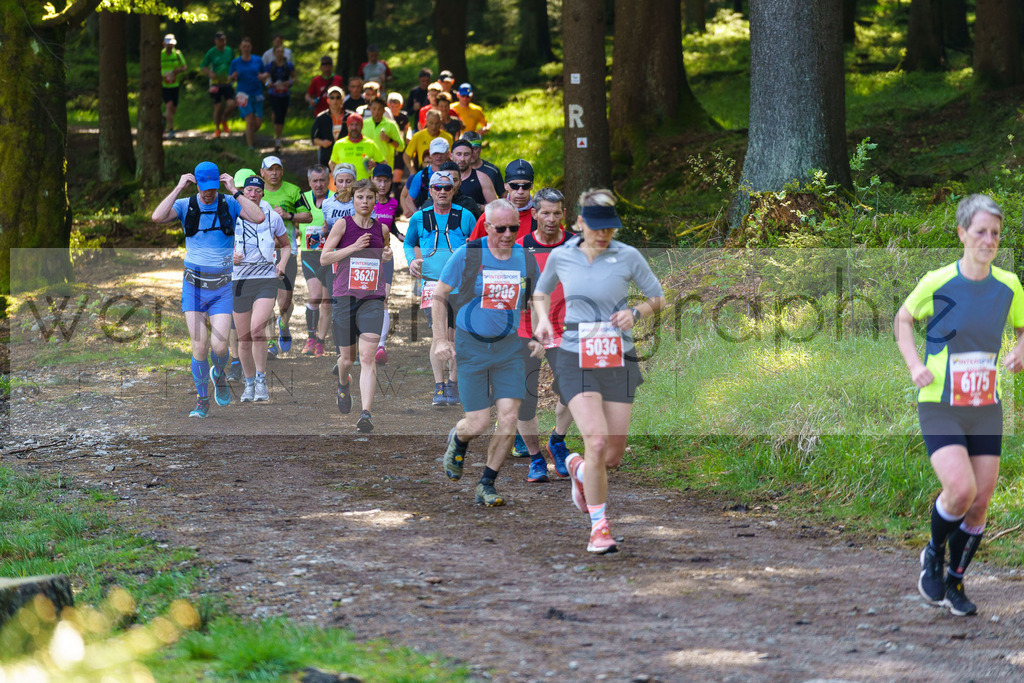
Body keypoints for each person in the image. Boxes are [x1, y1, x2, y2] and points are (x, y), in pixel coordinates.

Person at [895, 194, 1024, 616]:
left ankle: (955, 583)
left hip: (986, 405)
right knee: (961, 490)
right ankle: (932, 552)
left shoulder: (1009, 286)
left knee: (981, 500)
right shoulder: (937, 281)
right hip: (941, 403)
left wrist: (1022, 348)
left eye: (995, 234)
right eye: (981, 231)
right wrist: (915, 364)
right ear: (962, 233)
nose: (989, 240)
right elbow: (903, 318)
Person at [532, 189, 666, 554]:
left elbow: (658, 297)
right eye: (596, 228)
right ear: (579, 223)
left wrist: (635, 313)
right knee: (595, 439)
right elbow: (540, 294)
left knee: (611, 456)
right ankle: (599, 528)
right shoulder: (562, 256)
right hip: (575, 355)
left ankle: (576, 468)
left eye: (610, 229)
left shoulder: (628, 256)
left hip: (618, 357)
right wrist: (543, 321)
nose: (603, 235)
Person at [435, 199, 543, 506]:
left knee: (508, 417)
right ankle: (458, 439)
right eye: (501, 228)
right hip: (472, 347)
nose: (508, 234)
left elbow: (535, 298)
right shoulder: (469, 255)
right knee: (478, 422)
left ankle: (487, 483)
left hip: (509, 349)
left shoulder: (524, 258)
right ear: (486, 225)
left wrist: (536, 335)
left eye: (514, 228)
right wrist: (440, 340)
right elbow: (440, 294)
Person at [150, 161, 263, 417]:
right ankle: (202, 401)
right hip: (193, 287)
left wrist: (235, 190)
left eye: (213, 187)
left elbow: (258, 217)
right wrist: (179, 187)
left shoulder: (229, 203)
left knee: (220, 348)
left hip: (222, 287)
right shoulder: (186, 205)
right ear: (197, 184)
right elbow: (157, 217)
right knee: (199, 348)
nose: (209, 193)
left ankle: (219, 374)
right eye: (205, 188)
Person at [320, 179, 393, 433]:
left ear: (375, 200)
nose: (365, 202)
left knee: (367, 357)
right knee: (348, 359)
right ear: (353, 200)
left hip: (372, 299)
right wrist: (353, 247)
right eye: (360, 197)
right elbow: (324, 257)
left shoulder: (381, 229)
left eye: (369, 198)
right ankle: (343, 384)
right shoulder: (343, 224)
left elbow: (384, 254)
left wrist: (386, 255)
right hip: (345, 298)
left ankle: (366, 413)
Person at [516, 188, 575, 482]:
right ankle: (536, 459)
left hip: (566, 329)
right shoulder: (520, 247)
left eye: (556, 213)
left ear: (564, 213)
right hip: (526, 331)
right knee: (524, 399)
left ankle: (558, 441)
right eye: (545, 213)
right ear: (535, 214)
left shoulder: (577, 246)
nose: (551, 219)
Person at [403, 171, 476, 406]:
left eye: (447, 187)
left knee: (456, 336)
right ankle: (438, 386)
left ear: (453, 189)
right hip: (432, 284)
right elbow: (408, 242)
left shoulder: (466, 216)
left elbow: (478, 243)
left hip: (460, 285)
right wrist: (411, 261)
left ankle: (453, 384)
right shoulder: (418, 217)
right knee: (438, 335)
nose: (442, 191)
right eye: (437, 187)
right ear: (430, 190)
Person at [231, 174, 290, 402]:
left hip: (265, 279)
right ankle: (249, 383)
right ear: (242, 192)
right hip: (239, 281)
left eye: (257, 190)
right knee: (244, 338)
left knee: (257, 330)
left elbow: (285, 245)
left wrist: (282, 264)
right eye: (249, 190)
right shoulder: (232, 215)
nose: (253, 194)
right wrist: (231, 257)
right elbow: (219, 246)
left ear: (263, 193)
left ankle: (261, 379)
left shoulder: (272, 217)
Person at [260, 156, 310, 355]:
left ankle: (284, 324)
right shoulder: (255, 192)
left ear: (282, 171)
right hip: (261, 253)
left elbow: (307, 215)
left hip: (286, 251)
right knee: (265, 299)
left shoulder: (293, 191)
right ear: (262, 172)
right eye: (269, 170)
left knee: (285, 301)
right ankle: (270, 343)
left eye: (277, 169)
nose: (274, 173)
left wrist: (288, 215)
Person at [299, 165, 333, 357]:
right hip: (309, 254)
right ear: (309, 182)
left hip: (329, 254)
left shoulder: (335, 199)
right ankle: (310, 337)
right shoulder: (302, 199)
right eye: (315, 181)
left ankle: (320, 341)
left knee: (327, 302)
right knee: (315, 296)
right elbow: (291, 218)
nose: (318, 184)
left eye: (322, 180)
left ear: (328, 180)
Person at [370, 163, 400, 365]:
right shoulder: (365, 202)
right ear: (372, 180)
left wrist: (402, 236)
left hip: (386, 257)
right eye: (378, 180)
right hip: (365, 259)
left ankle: (380, 347)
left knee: (383, 299)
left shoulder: (393, 204)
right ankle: (361, 343)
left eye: (386, 181)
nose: (382, 184)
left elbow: (391, 225)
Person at [468, 159, 536, 240]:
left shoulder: (540, 215)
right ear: (505, 186)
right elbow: (472, 249)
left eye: (525, 186)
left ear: (531, 186)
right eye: (514, 186)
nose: (520, 191)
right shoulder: (489, 216)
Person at [229, 36, 269, 152]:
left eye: (248, 46)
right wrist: (232, 77)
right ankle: (251, 147)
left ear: (251, 48)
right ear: (240, 48)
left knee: (258, 123)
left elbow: (265, 74)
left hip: (257, 93)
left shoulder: (257, 60)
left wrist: (263, 77)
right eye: (244, 47)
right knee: (249, 119)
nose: (246, 48)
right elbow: (230, 78)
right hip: (242, 94)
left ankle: (247, 135)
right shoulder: (235, 62)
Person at [401, 137, 449, 216]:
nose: (438, 156)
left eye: (441, 153)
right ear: (430, 153)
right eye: (435, 153)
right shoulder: (421, 175)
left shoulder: (454, 173)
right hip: (427, 219)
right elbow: (409, 199)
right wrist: (418, 215)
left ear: (448, 153)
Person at [200, 31, 235, 138]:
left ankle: (224, 119)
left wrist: (233, 75)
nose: (222, 42)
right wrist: (209, 73)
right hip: (215, 84)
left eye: (224, 40)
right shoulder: (211, 52)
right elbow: (203, 67)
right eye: (220, 40)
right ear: (216, 41)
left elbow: (234, 64)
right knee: (218, 106)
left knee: (232, 104)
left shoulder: (229, 51)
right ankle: (217, 129)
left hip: (227, 82)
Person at [329, 113, 384, 180]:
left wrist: (376, 165)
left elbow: (383, 163)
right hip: (345, 185)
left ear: (361, 126)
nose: (354, 128)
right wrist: (336, 174)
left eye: (357, 124)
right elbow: (332, 162)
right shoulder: (339, 144)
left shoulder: (370, 143)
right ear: (347, 126)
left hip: (364, 184)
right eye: (351, 124)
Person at [265, 45, 295, 152]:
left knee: (282, 115)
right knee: (277, 114)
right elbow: (267, 78)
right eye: (277, 52)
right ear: (274, 53)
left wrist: (289, 82)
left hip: (285, 94)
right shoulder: (270, 66)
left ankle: (278, 136)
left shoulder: (288, 65)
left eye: (281, 52)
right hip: (274, 94)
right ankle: (277, 138)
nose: (279, 54)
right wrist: (268, 84)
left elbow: (294, 78)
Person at [362, 97, 405, 172]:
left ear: (384, 110)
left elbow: (401, 147)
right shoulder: (364, 124)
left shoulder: (391, 125)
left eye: (379, 109)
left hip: (384, 167)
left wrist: (389, 140)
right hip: (366, 167)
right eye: (374, 109)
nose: (376, 112)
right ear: (370, 109)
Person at [451, 140, 497, 206]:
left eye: (466, 154)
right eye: (459, 154)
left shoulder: (482, 178)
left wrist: (478, 207)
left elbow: (495, 207)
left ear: (471, 156)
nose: (462, 159)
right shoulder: (443, 177)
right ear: (451, 156)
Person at [311, 85, 346, 168]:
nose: (335, 100)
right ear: (328, 100)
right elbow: (314, 138)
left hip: (346, 155)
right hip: (327, 156)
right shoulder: (321, 117)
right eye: (332, 97)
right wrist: (323, 143)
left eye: (338, 97)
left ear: (342, 100)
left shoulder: (349, 116)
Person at [160, 34, 187, 139]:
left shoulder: (177, 54)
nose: (170, 47)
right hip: (164, 85)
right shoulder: (160, 55)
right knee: (169, 105)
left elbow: (184, 66)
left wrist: (178, 71)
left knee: (173, 110)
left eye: (172, 44)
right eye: (168, 45)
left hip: (175, 85)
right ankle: (171, 130)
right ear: (164, 44)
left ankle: (164, 118)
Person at [462, 131, 504, 197]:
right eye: (468, 149)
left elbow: (503, 197)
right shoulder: (455, 171)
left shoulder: (492, 171)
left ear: (480, 149)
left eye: (475, 148)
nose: (471, 152)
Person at [386, 92, 410, 185]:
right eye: (392, 106)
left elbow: (408, 128)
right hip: (388, 148)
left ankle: (397, 196)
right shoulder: (385, 118)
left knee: (397, 175)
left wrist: (408, 136)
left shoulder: (403, 117)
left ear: (401, 106)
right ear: (388, 105)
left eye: (397, 106)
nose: (394, 109)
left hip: (399, 147)